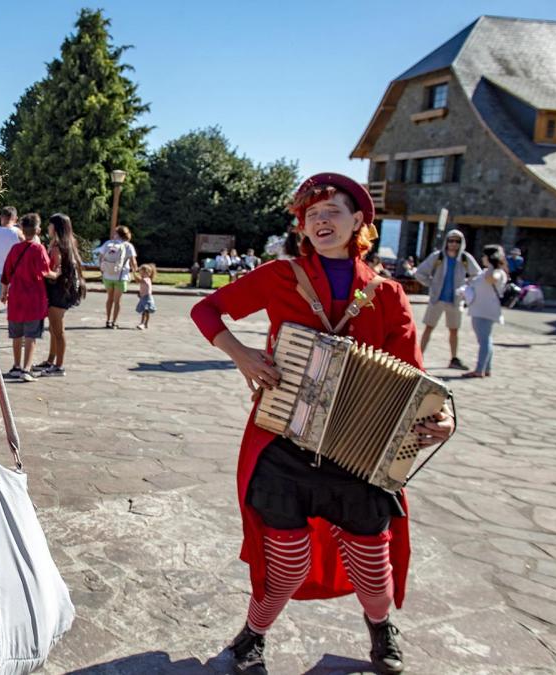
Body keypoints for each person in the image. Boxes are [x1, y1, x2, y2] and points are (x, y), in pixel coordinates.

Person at [189, 173, 454, 675]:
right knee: (284, 560)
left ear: (359, 222)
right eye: (312, 215)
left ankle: (380, 627)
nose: (322, 220)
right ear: (303, 227)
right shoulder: (280, 275)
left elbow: (415, 379)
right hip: (283, 446)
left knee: (372, 565)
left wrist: (440, 420)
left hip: (359, 457)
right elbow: (207, 311)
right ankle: (254, 635)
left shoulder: (388, 294)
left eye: (333, 211)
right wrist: (242, 355)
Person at [414, 230, 481, 370]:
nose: (454, 244)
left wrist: (466, 285)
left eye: (457, 241)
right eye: (451, 241)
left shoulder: (465, 258)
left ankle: (454, 358)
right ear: (447, 242)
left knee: (454, 330)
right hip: (437, 300)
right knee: (428, 328)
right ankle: (418, 358)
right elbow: (420, 272)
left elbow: (477, 275)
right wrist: (431, 284)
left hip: (455, 300)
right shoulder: (438, 256)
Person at [1, 213, 56, 382]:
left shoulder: (15, 249)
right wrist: (59, 274)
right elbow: (46, 271)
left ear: (22, 230)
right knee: (31, 335)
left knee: (16, 334)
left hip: (16, 297)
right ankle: (27, 368)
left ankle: (16, 366)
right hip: (34, 298)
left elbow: (6, 274)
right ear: (38, 230)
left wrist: (4, 292)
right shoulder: (38, 249)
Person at [34, 212, 83, 377]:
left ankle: (58, 366)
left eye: (50, 224)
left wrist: (39, 270)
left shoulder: (57, 246)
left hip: (58, 291)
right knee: (54, 329)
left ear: (56, 227)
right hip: (62, 290)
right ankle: (50, 361)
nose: (48, 227)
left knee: (58, 330)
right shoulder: (65, 243)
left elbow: (56, 270)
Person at [463, 244, 509, 379]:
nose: (482, 258)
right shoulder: (487, 271)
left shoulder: (496, 272)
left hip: (485, 311)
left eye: (484, 256)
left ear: (489, 257)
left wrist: (492, 266)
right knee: (485, 340)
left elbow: (491, 279)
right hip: (479, 309)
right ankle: (486, 368)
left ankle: (479, 369)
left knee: (484, 341)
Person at [97, 225, 138, 328]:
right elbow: (133, 262)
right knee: (117, 301)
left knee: (109, 298)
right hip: (121, 276)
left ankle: (107, 320)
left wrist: (102, 270)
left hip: (107, 276)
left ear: (117, 234)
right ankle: (114, 322)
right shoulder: (128, 246)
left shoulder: (107, 244)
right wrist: (135, 272)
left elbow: (100, 258)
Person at [135, 263, 156, 329]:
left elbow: (140, 281)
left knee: (145, 311)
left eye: (142, 273)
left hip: (147, 298)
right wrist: (140, 293)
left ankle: (143, 323)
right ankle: (145, 323)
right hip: (143, 297)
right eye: (140, 273)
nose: (141, 274)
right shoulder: (144, 279)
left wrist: (134, 273)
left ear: (147, 273)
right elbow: (142, 286)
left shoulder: (147, 279)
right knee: (145, 312)